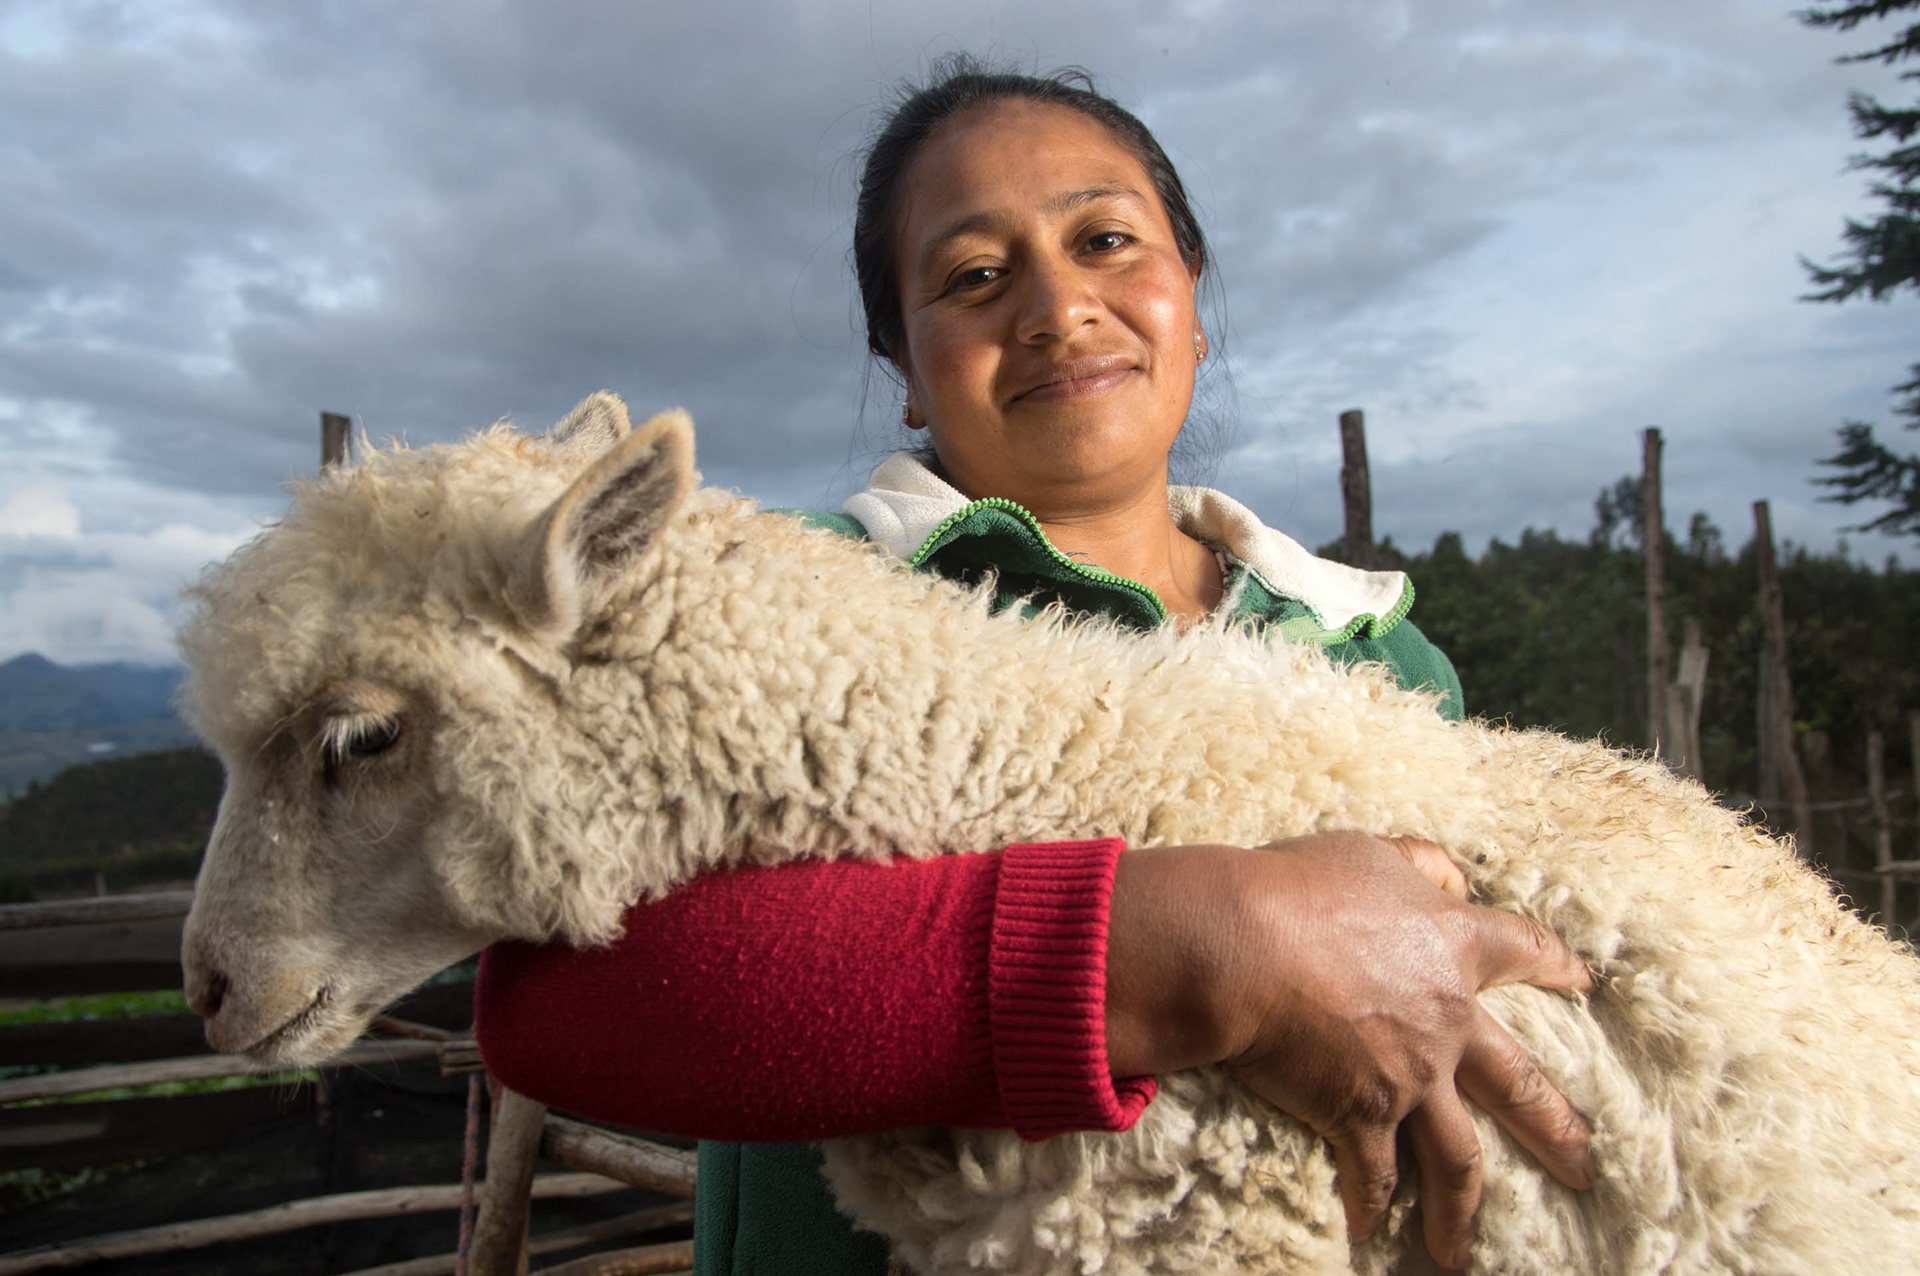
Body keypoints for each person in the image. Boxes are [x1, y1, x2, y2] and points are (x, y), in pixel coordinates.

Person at [475, 57, 1597, 1275]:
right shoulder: (783, 603)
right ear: (904, 367)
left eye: (1106, 241)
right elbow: (559, 1002)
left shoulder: (1379, 654)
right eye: (974, 276)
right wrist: (1206, 943)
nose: (1058, 309)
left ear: (1192, 296)